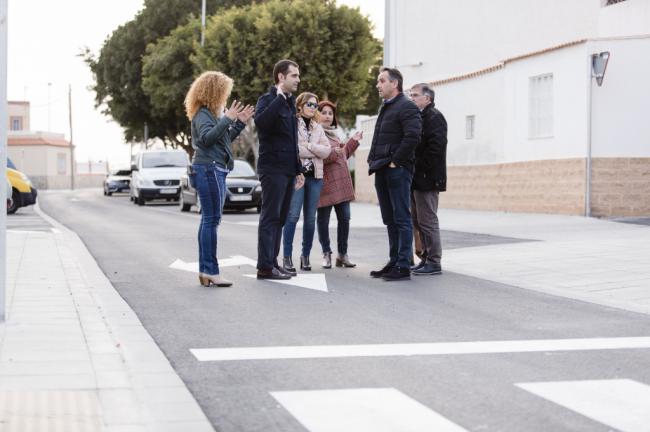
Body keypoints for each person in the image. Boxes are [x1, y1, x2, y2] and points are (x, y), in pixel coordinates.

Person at [185, 71, 254, 287]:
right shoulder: (204, 114)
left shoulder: (212, 115)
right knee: (211, 220)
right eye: (224, 92)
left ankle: (206, 271)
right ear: (215, 91)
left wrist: (239, 123)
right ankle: (211, 271)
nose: (226, 96)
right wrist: (228, 118)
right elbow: (206, 140)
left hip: (213, 168)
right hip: (209, 169)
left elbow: (222, 140)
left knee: (209, 219)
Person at [367, 67, 422, 281]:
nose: (378, 85)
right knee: (389, 218)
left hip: (397, 170)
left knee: (401, 217)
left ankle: (403, 265)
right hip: (381, 167)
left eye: (381, 81)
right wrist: (373, 160)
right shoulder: (386, 107)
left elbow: (413, 137)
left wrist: (395, 162)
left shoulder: (407, 107)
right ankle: (394, 261)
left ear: (394, 84)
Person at [255, 59, 305, 280]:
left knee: (281, 218)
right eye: (294, 75)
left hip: (287, 169)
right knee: (270, 216)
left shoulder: (290, 103)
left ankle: (273, 263)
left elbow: (292, 139)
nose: (298, 79)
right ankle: (265, 267)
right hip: (272, 168)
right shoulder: (268, 100)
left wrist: (298, 170)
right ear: (281, 77)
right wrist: (279, 97)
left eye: (298, 75)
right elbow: (262, 123)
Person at [282, 92, 332, 272]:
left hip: (315, 178)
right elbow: (292, 149)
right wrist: (314, 150)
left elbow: (327, 151)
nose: (313, 108)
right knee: (293, 216)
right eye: (310, 104)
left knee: (310, 219)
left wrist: (309, 147)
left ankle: (306, 256)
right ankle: (287, 256)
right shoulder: (292, 124)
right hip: (298, 176)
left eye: (315, 105)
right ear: (300, 106)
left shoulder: (318, 127)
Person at [316, 100, 362, 269]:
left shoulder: (335, 134)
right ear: (317, 114)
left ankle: (342, 254)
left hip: (341, 184)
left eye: (330, 113)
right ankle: (326, 253)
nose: (328, 116)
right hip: (325, 184)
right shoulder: (315, 133)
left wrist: (353, 142)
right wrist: (335, 153)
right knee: (323, 220)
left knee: (345, 219)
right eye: (324, 112)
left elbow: (341, 156)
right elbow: (318, 157)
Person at [409, 83, 447, 275]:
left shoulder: (435, 117)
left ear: (427, 98)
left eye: (415, 95)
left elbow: (436, 149)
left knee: (428, 220)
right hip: (417, 178)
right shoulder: (419, 117)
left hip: (428, 178)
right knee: (417, 220)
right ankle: (425, 258)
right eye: (411, 95)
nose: (412, 98)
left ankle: (434, 261)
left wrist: (417, 166)